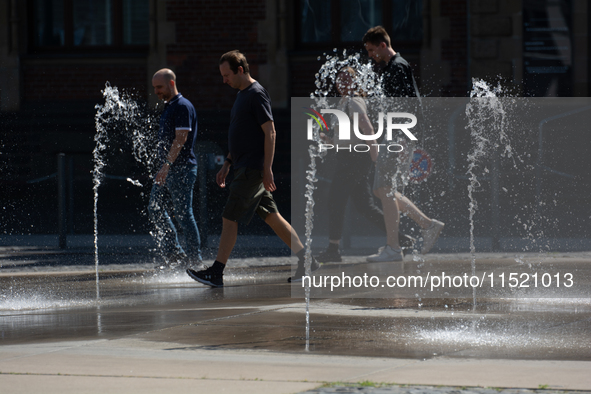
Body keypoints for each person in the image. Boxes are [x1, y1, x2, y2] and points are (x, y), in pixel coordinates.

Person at [186, 50, 318, 287]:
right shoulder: (241, 95)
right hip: (241, 166)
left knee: (229, 217)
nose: (223, 80)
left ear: (239, 70)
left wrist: (267, 168)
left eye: (227, 75)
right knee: (272, 217)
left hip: (252, 169)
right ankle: (308, 260)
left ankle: (216, 272)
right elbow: (242, 135)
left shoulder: (256, 94)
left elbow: (271, 132)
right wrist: (227, 163)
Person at [316, 67, 415, 263]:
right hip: (349, 158)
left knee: (335, 200)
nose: (341, 82)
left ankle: (333, 249)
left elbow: (367, 127)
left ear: (355, 82)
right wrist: (329, 140)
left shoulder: (354, 101)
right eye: (339, 78)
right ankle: (402, 239)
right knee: (365, 206)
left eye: (346, 79)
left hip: (353, 160)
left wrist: (375, 157)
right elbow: (348, 136)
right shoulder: (345, 101)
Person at [362, 26, 444, 261]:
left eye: (371, 50)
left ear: (383, 46)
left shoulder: (397, 67)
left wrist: (402, 141)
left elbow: (406, 107)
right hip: (397, 136)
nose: (370, 55)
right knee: (382, 190)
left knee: (385, 190)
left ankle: (394, 247)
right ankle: (426, 225)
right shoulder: (392, 67)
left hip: (399, 137)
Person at [148, 68, 202, 270]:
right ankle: (175, 255)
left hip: (181, 168)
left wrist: (167, 165)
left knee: (183, 214)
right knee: (154, 208)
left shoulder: (182, 106)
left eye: (159, 87)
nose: (156, 91)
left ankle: (195, 260)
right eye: (154, 87)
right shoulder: (170, 106)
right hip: (169, 169)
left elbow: (181, 138)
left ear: (171, 83)